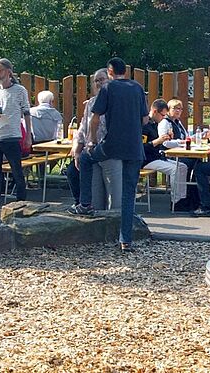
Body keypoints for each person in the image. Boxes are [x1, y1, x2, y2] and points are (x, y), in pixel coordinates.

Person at [68, 57, 148, 252]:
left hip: (112, 145)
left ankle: (85, 203)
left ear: (110, 72)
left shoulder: (108, 88)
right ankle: (125, 240)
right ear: (126, 71)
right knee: (128, 194)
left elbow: (94, 120)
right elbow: (145, 119)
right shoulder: (137, 88)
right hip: (135, 148)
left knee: (86, 159)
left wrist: (92, 142)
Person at [0, 58, 33, 216]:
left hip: (12, 136)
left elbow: (26, 113)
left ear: (8, 71)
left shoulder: (19, 90)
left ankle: (21, 204)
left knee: (17, 171)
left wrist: (28, 135)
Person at [66, 68, 122, 211]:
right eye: (96, 81)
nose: (98, 83)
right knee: (96, 198)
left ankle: (117, 230)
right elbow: (83, 127)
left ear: (110, 79)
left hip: (111, 153)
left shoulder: (118, 100)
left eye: (101, 79)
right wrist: (77, 151)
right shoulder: (91, 103)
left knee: (114, 198)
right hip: (93, 152)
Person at [142, 98, 191, 211]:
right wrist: (158, 141)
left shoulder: (156, 124)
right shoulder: (145, 125)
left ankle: (182, 198)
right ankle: (175, 202)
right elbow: (142, 147)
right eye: (162, 115)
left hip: (156, 156)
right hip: (146, 159)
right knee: (175, 169)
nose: (164, 118)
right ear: (154, 111)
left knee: (183, 166)